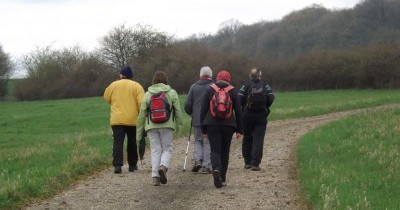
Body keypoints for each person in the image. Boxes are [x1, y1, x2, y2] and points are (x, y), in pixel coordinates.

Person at [136, 70, 183, 186]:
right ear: (166, 80)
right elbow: (178, 111)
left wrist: (139, 133)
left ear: (154, 81)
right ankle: (163, 166)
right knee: (167, 148)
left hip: (151, 126)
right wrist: (179, 126)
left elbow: (141, 114)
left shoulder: (147, 94)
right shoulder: (172, 93)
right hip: (167, 125)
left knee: (155, 150)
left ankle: (155, 177)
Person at [200, 70, 243, 188]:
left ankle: (216, 169)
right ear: (229, 79)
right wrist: (240, 129)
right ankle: (222, 178)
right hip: (228, 125)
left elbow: (203, 111)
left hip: (212, 124)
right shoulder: (233, 91)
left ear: (217, 78)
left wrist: (203, 129)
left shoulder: (209, 89)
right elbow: (239, 112)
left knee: (215, 150)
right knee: (225, 151)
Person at [104, 66, 144, 174]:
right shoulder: (137, 86)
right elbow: (141, 103)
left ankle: (117, 165)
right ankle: (132, 165)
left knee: (118, 142)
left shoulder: (113, 85)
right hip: (132, 119)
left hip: (117, 119)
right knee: (132, 142)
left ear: (121, 75)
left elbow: (106, 98)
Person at [238, 68, 275, 171]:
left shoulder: (245, 85)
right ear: (260, 75)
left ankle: (247, 162)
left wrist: (244, 108)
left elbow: (239, 98)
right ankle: (255, 163)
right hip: (261, 116)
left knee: (247, 138)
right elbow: (271, 98)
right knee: (258, 139)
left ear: (250, 75)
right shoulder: (265, 85)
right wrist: (265, 107)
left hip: (247, 116)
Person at [184, 66, 214, 174]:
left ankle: (197, 161)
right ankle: (206, 165)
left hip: (197, 119)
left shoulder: (194, 87)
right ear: (210, 75)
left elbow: (187, 105)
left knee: (198, 140)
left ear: (200, 75)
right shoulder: (213, 87)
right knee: (207, 142)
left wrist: (192, 113)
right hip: (210, 120)